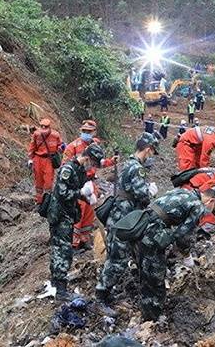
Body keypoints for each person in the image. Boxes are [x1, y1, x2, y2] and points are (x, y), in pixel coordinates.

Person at [130, 186, 215, 321]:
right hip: (151, 236)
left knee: (145, 274)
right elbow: (183, 236)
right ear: (211, 201)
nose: (210, 212)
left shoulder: (184, 192)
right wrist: (187, 255)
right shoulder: (197, 206)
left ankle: (146, 312)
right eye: (214, 209)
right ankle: (152, 318)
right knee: (156, 279)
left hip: (139, 226)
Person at [95, 133, 159, 312]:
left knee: (120, 255)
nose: (151, 156)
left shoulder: (129, 164)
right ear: (148, 149)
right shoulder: (136, 168)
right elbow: (142, 194)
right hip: (123, 219)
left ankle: (107, 293)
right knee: (118, 260)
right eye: (152, 152)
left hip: (124, 217)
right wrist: (150, 191)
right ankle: (101, 296)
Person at [46, 144, 105, 300]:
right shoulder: (68, 170)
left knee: (60, 248)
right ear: (87, 158)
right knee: (63, 250)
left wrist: (87, 197)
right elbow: (62, 192)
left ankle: (55, 281)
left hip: (69, 212)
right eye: (92, 163)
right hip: (60, 214)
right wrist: (80, 193)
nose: (92, 167)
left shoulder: (80, 170)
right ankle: (61, 290)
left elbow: (81, 187)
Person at [63, 120, 117, 250]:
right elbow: (64, 166)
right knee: (78, 212)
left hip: (91, 181)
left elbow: (99, 163)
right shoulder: (73, 146)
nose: (86, 134)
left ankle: (84, 239)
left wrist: (111, 161)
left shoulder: (95, 145)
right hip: (78, 183)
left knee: (89, 213)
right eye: (84, 131)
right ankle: (74, 243)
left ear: (94, 132)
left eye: (89, 132)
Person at [27, 118, 64, 204]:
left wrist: (61, 148)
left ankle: (47, 201)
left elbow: (61, 145)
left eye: (45, 126)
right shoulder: (36, 134)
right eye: (42, 126)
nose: (43, 128)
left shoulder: (55, 135)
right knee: (38, 180)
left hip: (49, 159)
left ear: (49, 126)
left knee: (48, 181)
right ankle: (39, 200)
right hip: (38, 158)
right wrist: (30, 159)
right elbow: (32, 146)